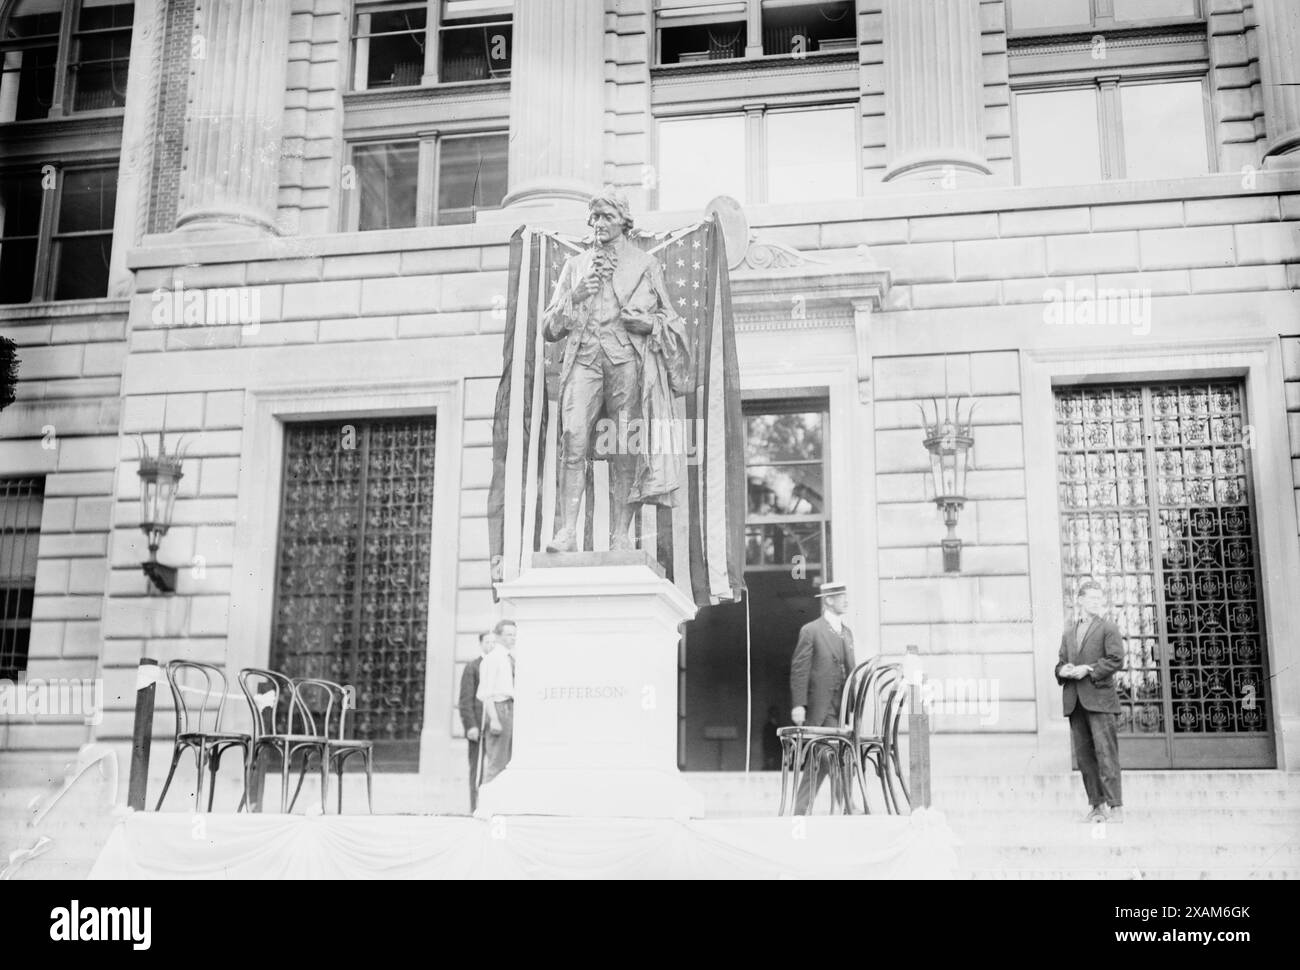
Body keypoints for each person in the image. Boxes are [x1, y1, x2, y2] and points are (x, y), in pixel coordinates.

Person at [541, 187, 690, 552]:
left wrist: (647, 324)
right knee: (572, 439)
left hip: (626, 364)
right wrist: (573, 296)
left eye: (606, 217)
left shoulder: (644, 265)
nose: (598, 224)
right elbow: (549, 328)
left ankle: (621, 533)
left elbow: (671, 321)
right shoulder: (576, 267)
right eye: (594, 218)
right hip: (584, 361)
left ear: (623, 221)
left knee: (625, 445)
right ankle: (567, 533)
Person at [1056, 579, 1125, 823]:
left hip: (1100, 701)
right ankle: (1097, 806)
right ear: (1081, 600)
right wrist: (1063, 671)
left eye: (1099, 599)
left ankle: (1116, 808)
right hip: (1076, 702)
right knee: (1085, 759)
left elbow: (1116, 660)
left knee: (1106, 756)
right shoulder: (1068, 631)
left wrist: (1089, 669)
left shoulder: (1108, 628)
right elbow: (1061, 663)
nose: (1096, 602)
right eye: (1091, 598)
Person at [789, 581, 856, 814]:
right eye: (841, 596)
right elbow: (800, 669)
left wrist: (853, 706)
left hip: (842, 708)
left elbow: (851, 670)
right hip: (821, 708)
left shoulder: (847, 633)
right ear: (828, 600)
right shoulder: (811, 630)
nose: (846, 600)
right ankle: (847, 805)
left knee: (819, 760)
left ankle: (800, 809)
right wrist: (798, 704)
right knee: (831, 754)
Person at [477, 619, 518, 786]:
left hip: (512, 707)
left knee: (509, 762)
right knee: (497, 762)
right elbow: (486, 693)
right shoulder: (492, 658)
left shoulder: (511, 658)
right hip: (499, 709)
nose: (513, 638)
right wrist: (494, 718)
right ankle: (486, 805)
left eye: (515, 635)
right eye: (509, 635)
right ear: (498, 636)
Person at [457, 631, 495, 812]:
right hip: (478, 727)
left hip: (496, 728)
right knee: (477, 771)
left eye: (493, 642)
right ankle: (475, 808)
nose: (491, 645)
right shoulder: (473, 667)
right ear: (481, 644)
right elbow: (465, 699)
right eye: (487, 642)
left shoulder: (498, 665)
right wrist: (470, 725)